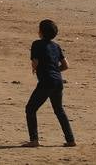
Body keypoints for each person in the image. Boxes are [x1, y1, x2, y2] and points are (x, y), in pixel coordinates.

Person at [24, 19, 76, 148]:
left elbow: (35, 61)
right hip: (58, 80)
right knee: (59, 110)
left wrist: (35, 68)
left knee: (30, 109)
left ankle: (34, 140)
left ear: (40, 32)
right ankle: (70, 140)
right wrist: (53, 70)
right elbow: (66, 65)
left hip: (46, 81)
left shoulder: (36, 44)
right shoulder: (56, 46)